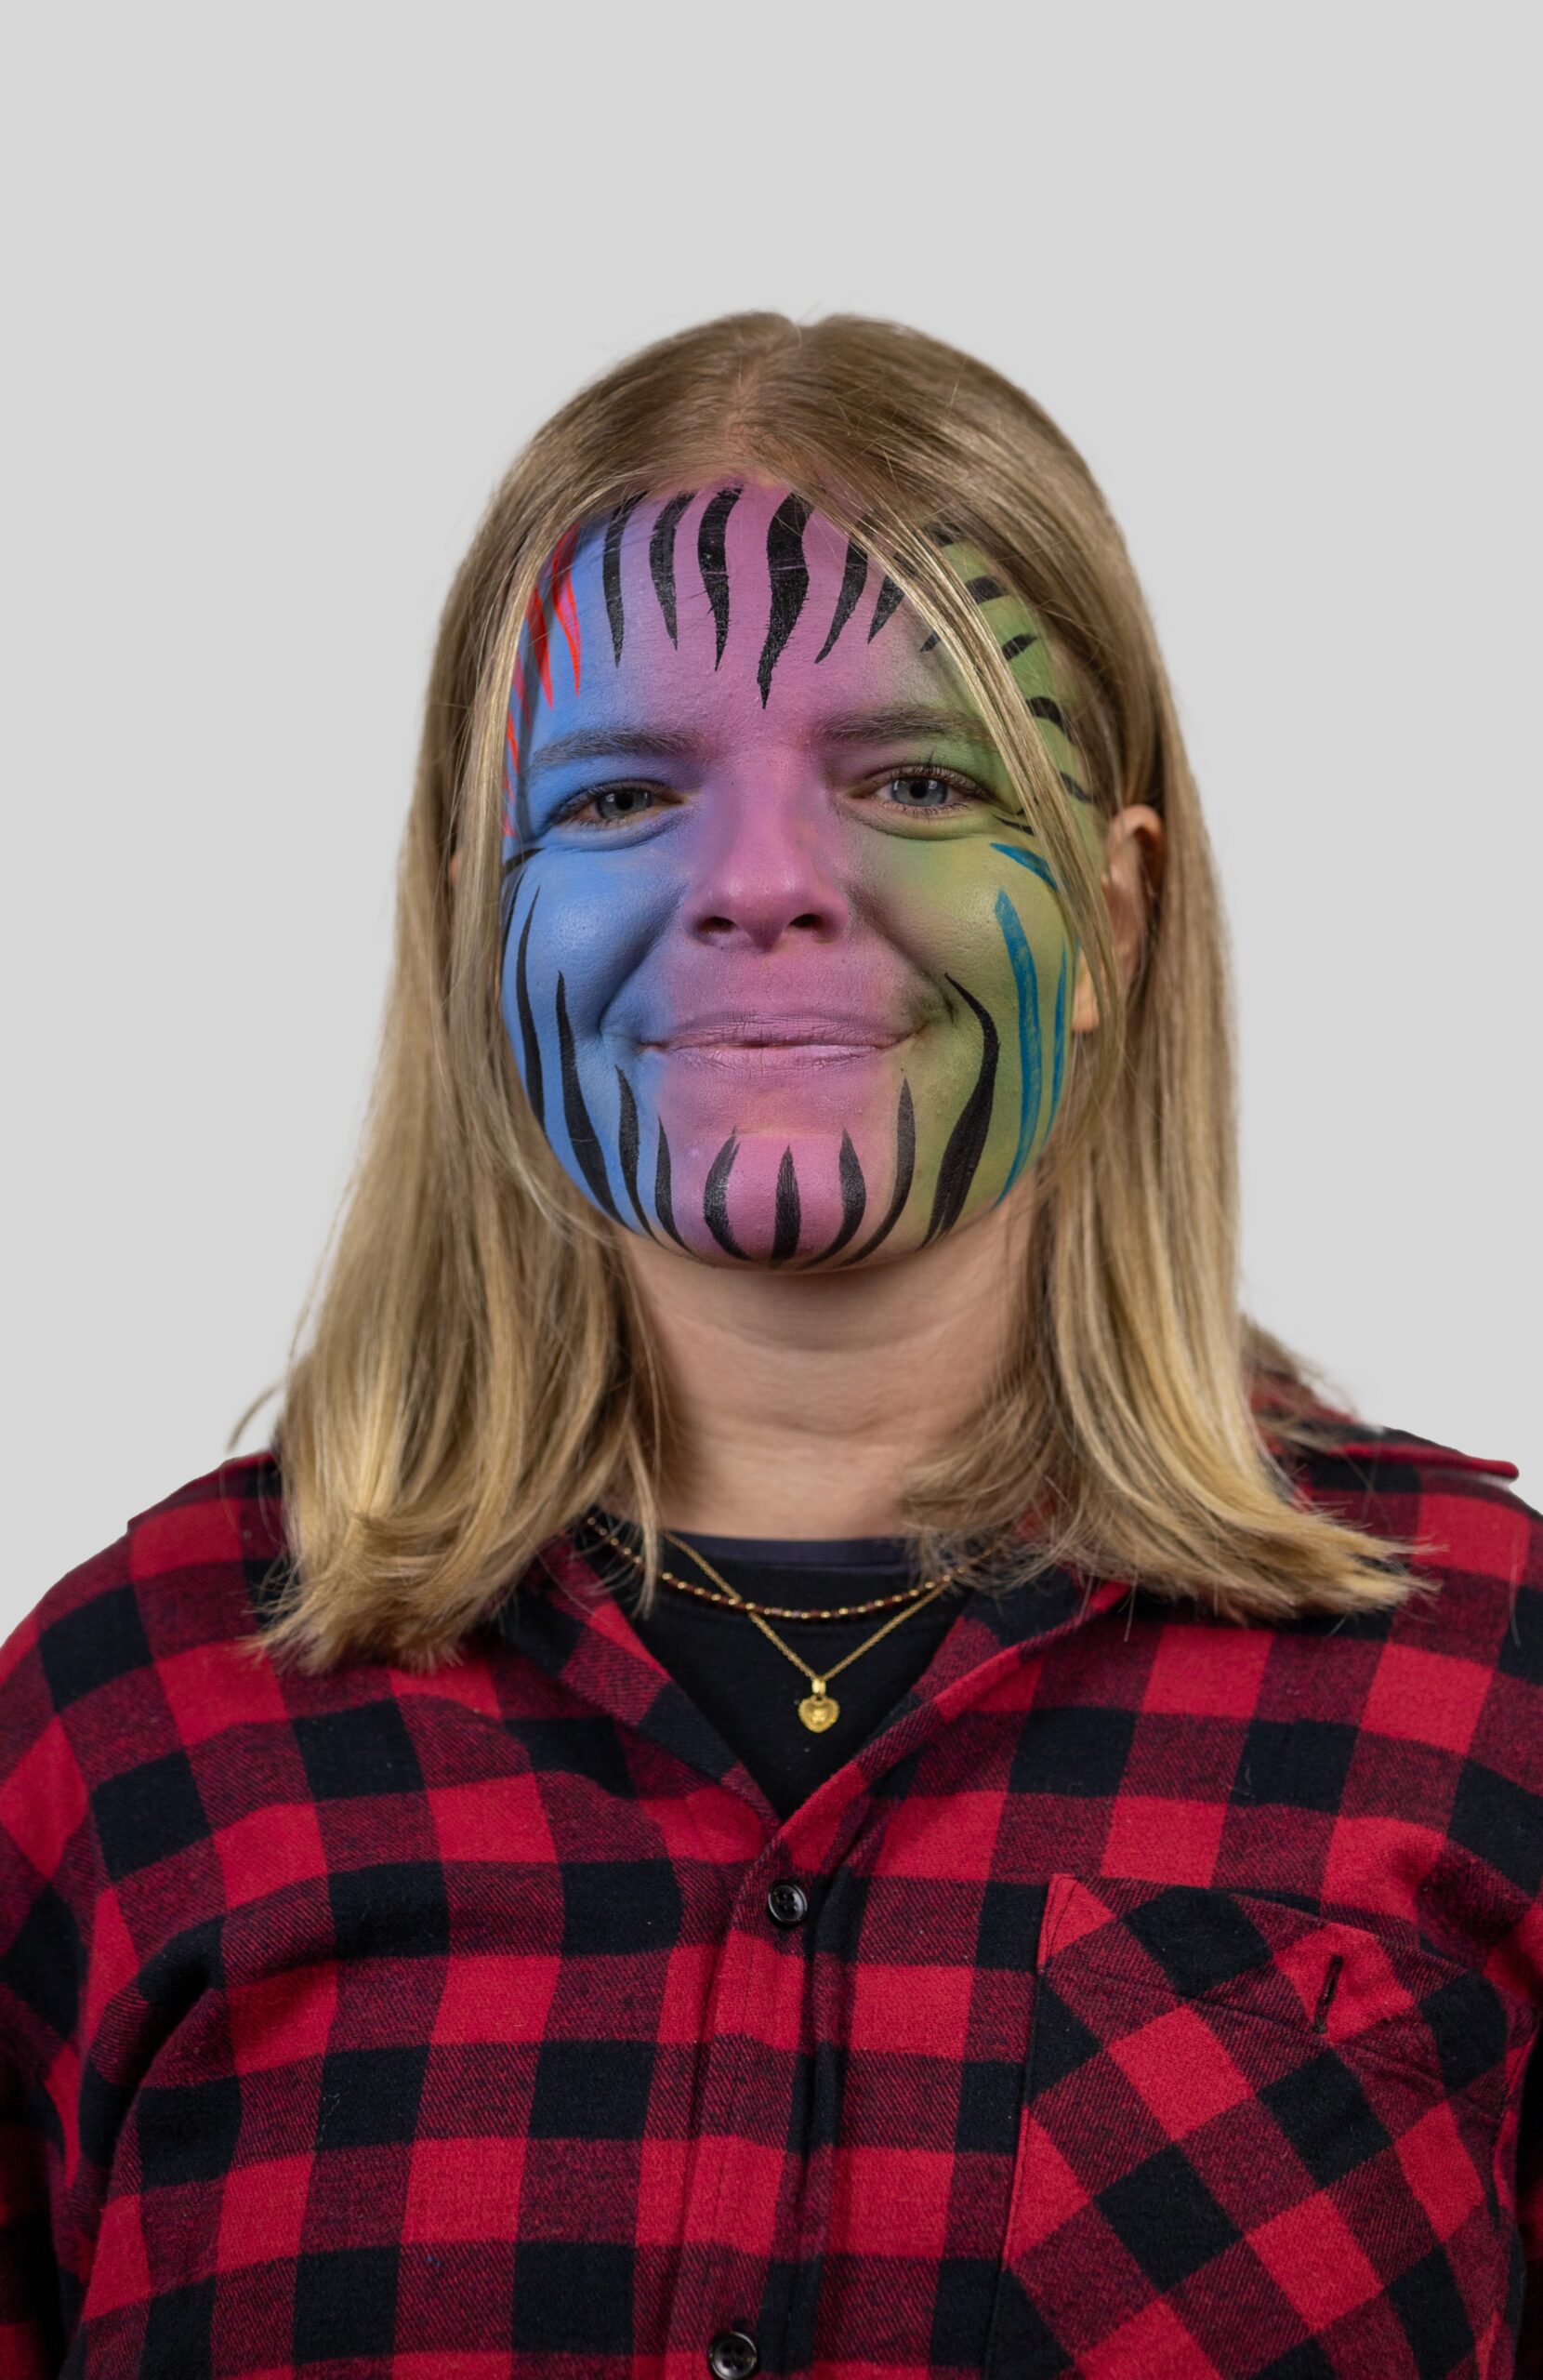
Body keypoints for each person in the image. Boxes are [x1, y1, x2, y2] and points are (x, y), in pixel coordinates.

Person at [1, 311, 1537, 2379]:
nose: (758, 887)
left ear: (1112, 914)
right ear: (478, 915)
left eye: (915, 780)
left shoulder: (1487, 1695)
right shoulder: (124, 1729)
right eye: (625, 790)